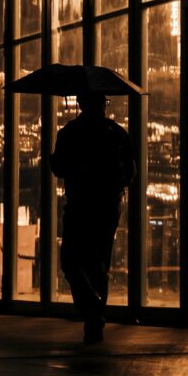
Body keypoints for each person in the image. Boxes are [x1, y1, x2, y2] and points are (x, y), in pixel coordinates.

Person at [50, 91, 136, 345]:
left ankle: (91, 307)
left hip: (80, 204)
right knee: (99, 262)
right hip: (108, 205)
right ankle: (94, 319)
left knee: (71, 260)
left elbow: (59, 167)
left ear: (80, 103)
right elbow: (129, 170)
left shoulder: (70, 132)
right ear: (102, 105)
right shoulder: (117, 133)